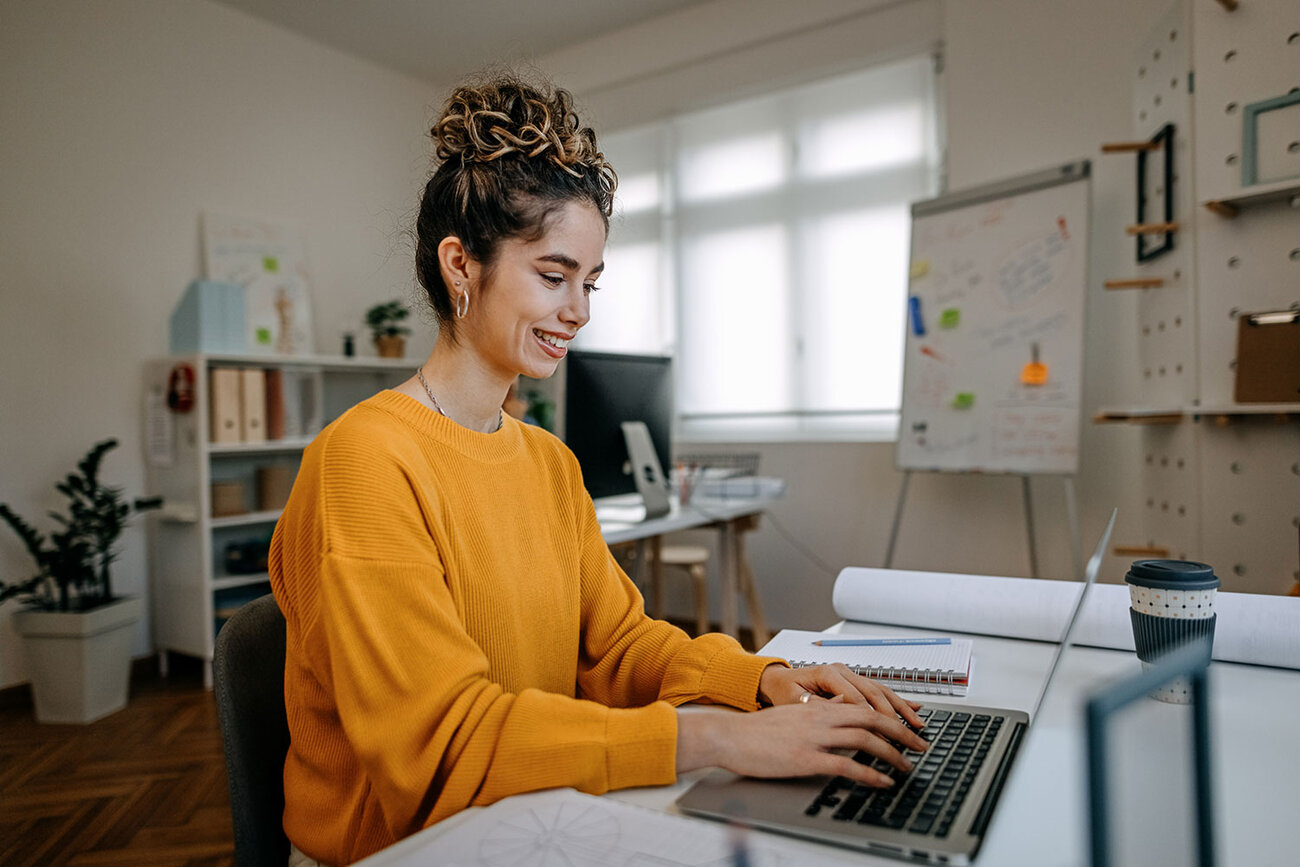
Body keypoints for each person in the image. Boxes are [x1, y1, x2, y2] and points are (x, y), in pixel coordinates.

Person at [269, 73, 928, 866]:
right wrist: (720, 736)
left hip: (529, 813)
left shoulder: (547, 462)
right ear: (461, 266)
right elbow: (441, 752)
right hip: (403, 846)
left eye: (590, 281)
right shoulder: (365, 460)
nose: (580, 309)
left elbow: (617, 647)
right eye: (554, 275)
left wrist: (762, 682)